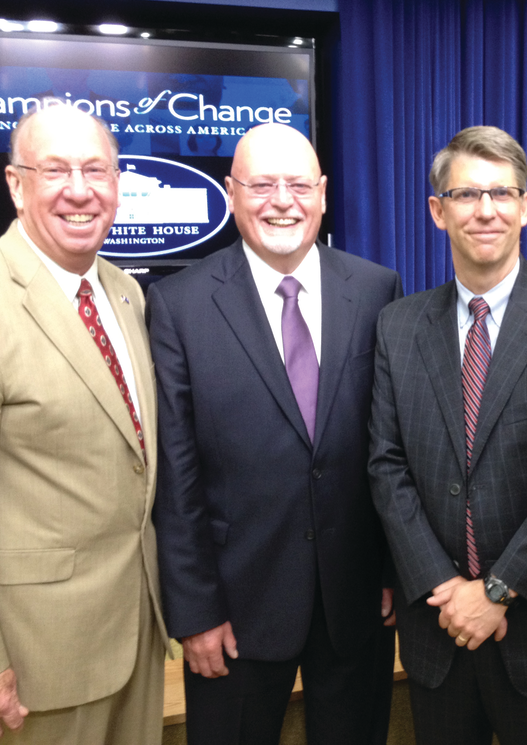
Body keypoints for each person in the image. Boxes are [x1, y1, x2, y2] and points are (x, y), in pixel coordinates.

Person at [368, 125, 527, 745]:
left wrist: (496, 592)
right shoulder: (397, 325)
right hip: (440, 626)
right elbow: (387, 467)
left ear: (526, 206)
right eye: (466, 195)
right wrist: (445, 588)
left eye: (502, 193)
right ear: (438, 211)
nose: (485, 210)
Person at [148, 122, 402, 745]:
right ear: (231, 194)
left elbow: (393, 445)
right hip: (236, 607)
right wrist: (195, 611)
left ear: (322, 194)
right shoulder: (177, 304)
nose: (281, 201)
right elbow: (176, 478)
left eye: (297, 185)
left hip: (358, 598)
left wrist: (396, 568)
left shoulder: (376, 289)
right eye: (261, 185)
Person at [0, 105, 167, 743]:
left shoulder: (125, 291)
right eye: (55, 170)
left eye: (97, 169)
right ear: (15, 184)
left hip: (136, 637)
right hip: (37, 663)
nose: (80, 189)